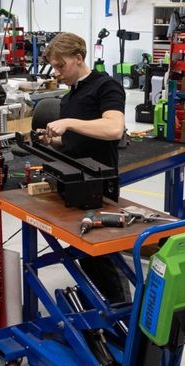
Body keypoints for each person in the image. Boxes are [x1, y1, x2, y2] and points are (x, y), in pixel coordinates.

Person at [38, 32, 128, 303]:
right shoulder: (70, 97)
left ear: (78, 58)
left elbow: (114, 128)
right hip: (75, 183)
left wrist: (69, 123)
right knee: (86, 251)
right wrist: (54, 141)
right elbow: (73, 142)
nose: (57, 72)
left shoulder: (106, 86)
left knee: (103, 255)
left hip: (99, 185)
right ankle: (97, 307)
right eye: (53, 66)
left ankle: (123, 317)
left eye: (60, 66)